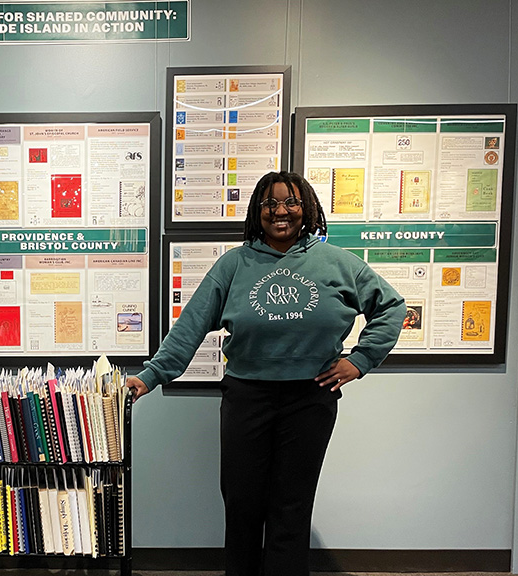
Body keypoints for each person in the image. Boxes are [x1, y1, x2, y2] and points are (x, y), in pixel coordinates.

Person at [126, 171, 405, 576]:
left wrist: (360, 360)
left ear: (307, 208)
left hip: (310, 398)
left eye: (291, 202)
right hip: (247, 397)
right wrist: (150, 376)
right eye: (270, 203)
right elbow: (191, 325)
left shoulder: (338, 263)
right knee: (242, 504)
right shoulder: (234, 264)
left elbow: (392, 307)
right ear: (258, 211)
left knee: (291, 506)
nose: (280, 211)